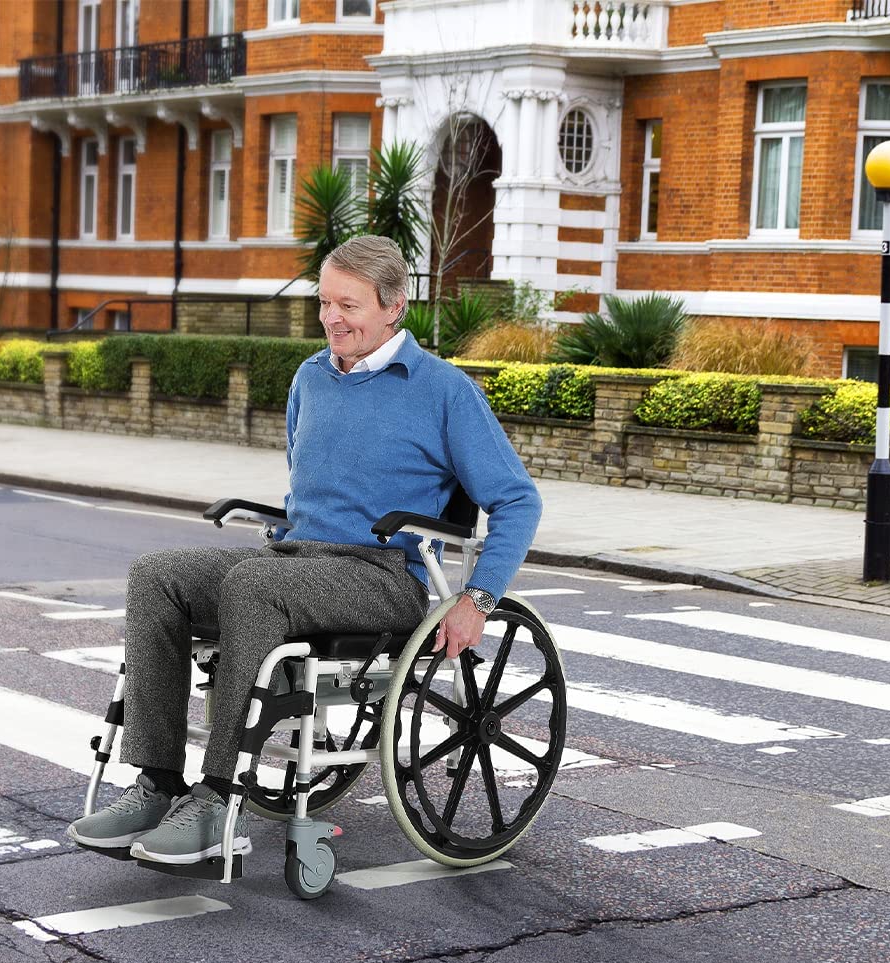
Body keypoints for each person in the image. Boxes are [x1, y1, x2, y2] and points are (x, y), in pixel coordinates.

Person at [68, 235, 541, 865]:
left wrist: (477, 599)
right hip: (297, 559)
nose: (331, 318)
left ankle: (216, 797)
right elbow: (303, 482)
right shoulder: (311, 376)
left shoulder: (442, 391)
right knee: (158, 574)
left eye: (349, 305)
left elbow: (518, 501)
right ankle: (156, 783)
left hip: (380, 576)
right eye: (325, 302)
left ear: (394, 306)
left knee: (253, 587)